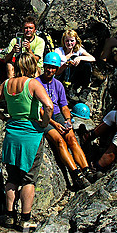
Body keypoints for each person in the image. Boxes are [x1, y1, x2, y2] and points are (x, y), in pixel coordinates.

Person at [0, 53, 54, 230]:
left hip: (12, 133)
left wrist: (5, 118)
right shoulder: (33, 84)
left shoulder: (7, 83)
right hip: (31, 134)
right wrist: (44, 123)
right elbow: (49, 106)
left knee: (13, 177)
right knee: (28, 179)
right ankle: (25, 218)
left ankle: (9, 216)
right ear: (32, 66)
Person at [38, 52, 91, 189]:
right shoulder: (37, 83)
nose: (50, 70)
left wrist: (68, 120)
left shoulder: (58, 84)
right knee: (59, 141)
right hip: (44, 117)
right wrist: (54, 124)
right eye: (48, 67)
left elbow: (64, 106)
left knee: (72, 139)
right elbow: (39, 109)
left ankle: (87, 170)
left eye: (53, 68)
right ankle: (76, 174)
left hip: (58, 114)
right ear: (44, 66)